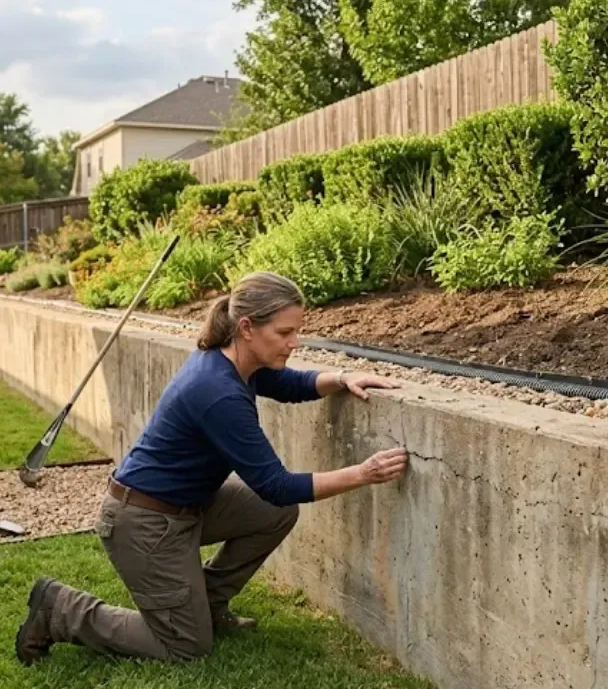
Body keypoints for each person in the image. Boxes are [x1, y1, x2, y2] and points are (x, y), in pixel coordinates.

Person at [15, 271, 408, 665]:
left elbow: (289, 385)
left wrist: (342, 377)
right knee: (184, 645)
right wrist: (363, 474)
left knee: (274, 515)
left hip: (186, 508)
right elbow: (277, 485)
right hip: (143, 523)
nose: (294, 342)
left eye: (296, 331)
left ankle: (207, 603)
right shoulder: (217, 392)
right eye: (285, 332)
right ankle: (61, 609)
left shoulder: (233, 360)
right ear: (247, 327)